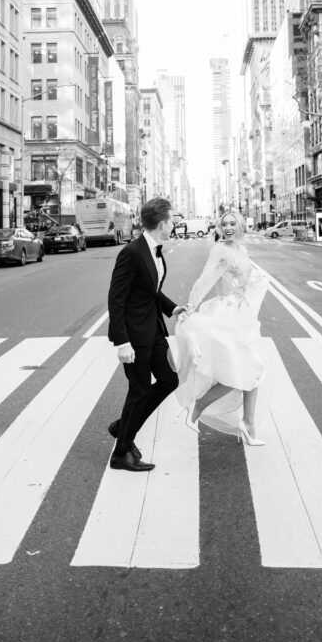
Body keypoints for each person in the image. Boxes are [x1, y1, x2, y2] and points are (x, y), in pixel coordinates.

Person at [170, 209, 269, 446]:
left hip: (242, 316)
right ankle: (203, 402)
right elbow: (204, 279)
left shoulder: (241, 249)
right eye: (224, 224)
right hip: (225, 316)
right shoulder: (220, 250)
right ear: (219, 228)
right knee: (243, 370)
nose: (228, 228)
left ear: (241, 225)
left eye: (233, 223)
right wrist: (191, 307)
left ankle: (248, 423)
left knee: (253, 372)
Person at [106, 196, 187, 472]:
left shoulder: (156, 249)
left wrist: (173, 308)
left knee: (169, 380)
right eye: (172, 220)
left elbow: (149, 290)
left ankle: (122, 427)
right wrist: (122, 342)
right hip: (134, 335)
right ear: (162, 223)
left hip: (153, 329)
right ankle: (121, 454)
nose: (174, 224)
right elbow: (116, 299)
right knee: (139, 392)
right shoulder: (131, 252)